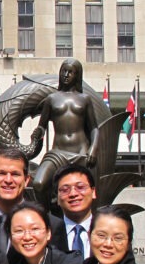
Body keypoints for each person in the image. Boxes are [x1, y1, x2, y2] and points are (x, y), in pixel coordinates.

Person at [31, 58, 102, 198]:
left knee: (81, 191)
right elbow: (42, 126)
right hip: (57, 152)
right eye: (64, 71)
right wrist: (38, 132)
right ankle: (45, 217)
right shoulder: (51, 99)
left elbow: (94, 128)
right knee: (38, 183)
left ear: (77, 75)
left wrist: (93, 148)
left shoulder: (85, 99)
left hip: (80, 152)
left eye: (71, 72)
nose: (66, 75)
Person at [0, 147, 62, 254]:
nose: (8, 180)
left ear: (26, 180)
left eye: (15, 174)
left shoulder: (52, 225)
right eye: (1, 173)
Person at [51, 164, 97, 258]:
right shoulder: (49, 234)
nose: (73, 194)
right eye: (65, 190)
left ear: (93, 192)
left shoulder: (106, 229)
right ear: (57, 199)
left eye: (80, 187)